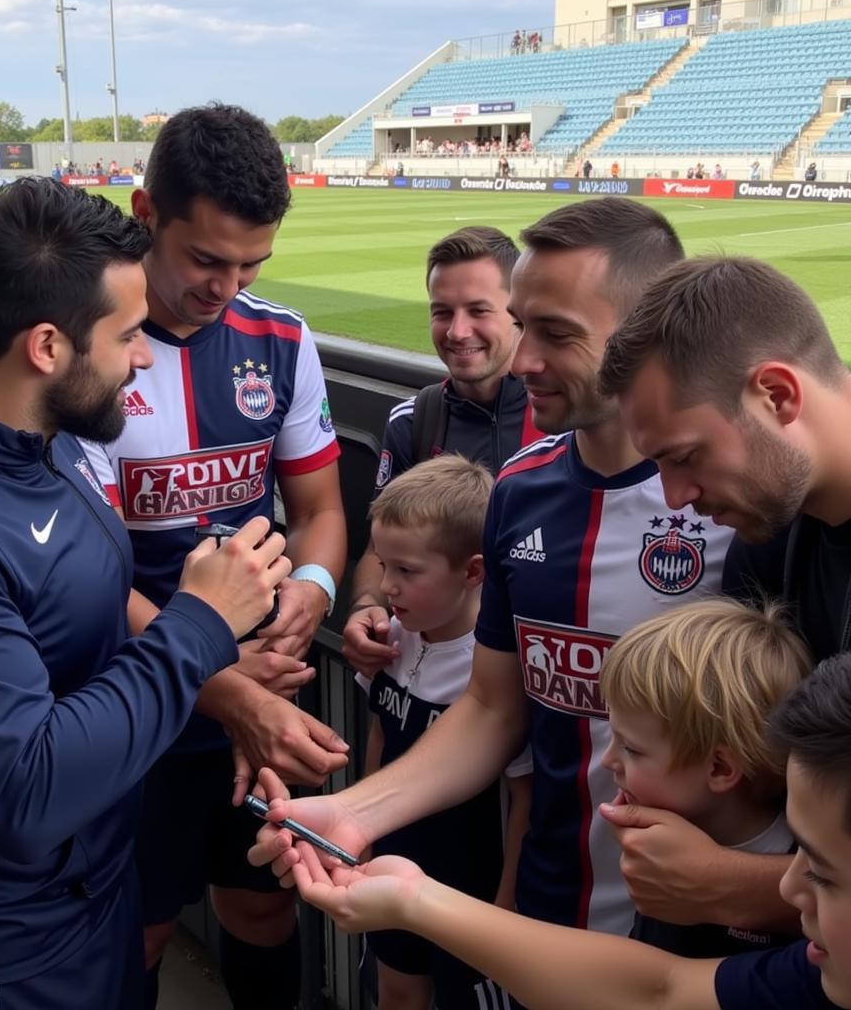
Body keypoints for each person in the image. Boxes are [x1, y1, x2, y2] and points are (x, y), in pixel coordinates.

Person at [0, 176, 290, 1008]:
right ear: (45, 346)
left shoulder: (8, 413)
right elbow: (25, 789)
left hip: (88, 904)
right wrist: (201, 626)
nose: (143, 357)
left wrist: (232, 702)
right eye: (128, 335)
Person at [252, 198, 737, 964]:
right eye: (524, 324)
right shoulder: (517, 491)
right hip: (537, 905)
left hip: (692, 938)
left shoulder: (734, 507)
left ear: (651, 334)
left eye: (556, 333)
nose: (524, 359)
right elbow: (492, 708)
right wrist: (352, 812)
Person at [78, 103, 348, 1010]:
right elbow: (84, 572)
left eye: (251, 264)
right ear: (146, 212)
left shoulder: (280, 341)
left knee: (264, 910)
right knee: (139, 927)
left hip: (259, 687)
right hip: (136, 696)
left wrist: (311, 588)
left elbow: (318, 510)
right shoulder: (85, 355)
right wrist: (224, 681)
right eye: (206, 259)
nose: (226, 285)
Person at [282, 653, 851, 1010]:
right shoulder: (815, 973)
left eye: (822, 872)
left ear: (723, 769)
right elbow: (659, 989)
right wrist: (407, 893)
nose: (783, 888)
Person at [598, 255, 851, 937]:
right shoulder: (767, 541)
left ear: (777, 395)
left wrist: (729, 886)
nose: (678, 498)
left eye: (684, 457)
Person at [342, 226, 538, 678]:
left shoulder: (563, 423)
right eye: (441, 311)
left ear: (517, 314)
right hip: (437, 678)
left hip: (533, 682)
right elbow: (379, 549)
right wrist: (366, 606)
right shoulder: (413, 421)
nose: (457, 330)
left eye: (478, 310)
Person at [355, 454, 514, 1009]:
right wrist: (364, 831)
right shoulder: (393, 639)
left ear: (473, 571)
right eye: (382, 565)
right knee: (397, 991)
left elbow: (524, 796)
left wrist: (506, 904)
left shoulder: (495, 667)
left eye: (407, 571)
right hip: (394, 857)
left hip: (469, 880)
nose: (387, 587)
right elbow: (380, 735)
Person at [601, 598, 811, 956]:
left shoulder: (809, 867)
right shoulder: (657, 853)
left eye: (631, 749)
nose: (608, 761)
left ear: (720, 769)